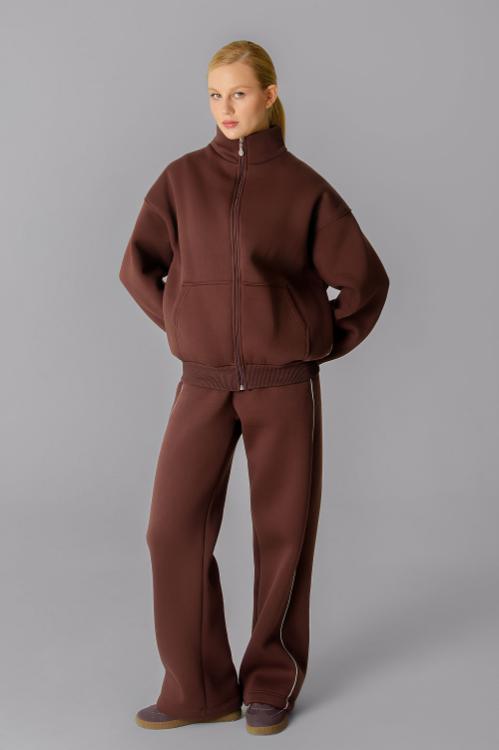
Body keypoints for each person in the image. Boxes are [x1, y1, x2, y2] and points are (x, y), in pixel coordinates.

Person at [118, 39, 389, 736]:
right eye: (215, 95)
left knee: (282, 537)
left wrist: (309, 342)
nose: (225, 107)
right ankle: (199, 688)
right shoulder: (181, 180)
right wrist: (186, 324)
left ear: (269, 95)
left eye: (238, 93)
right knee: (170, 531)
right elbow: (137, 266)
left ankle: (270, 681)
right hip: (203, 383)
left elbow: (365, 282)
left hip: (281, 386)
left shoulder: (304, 188)